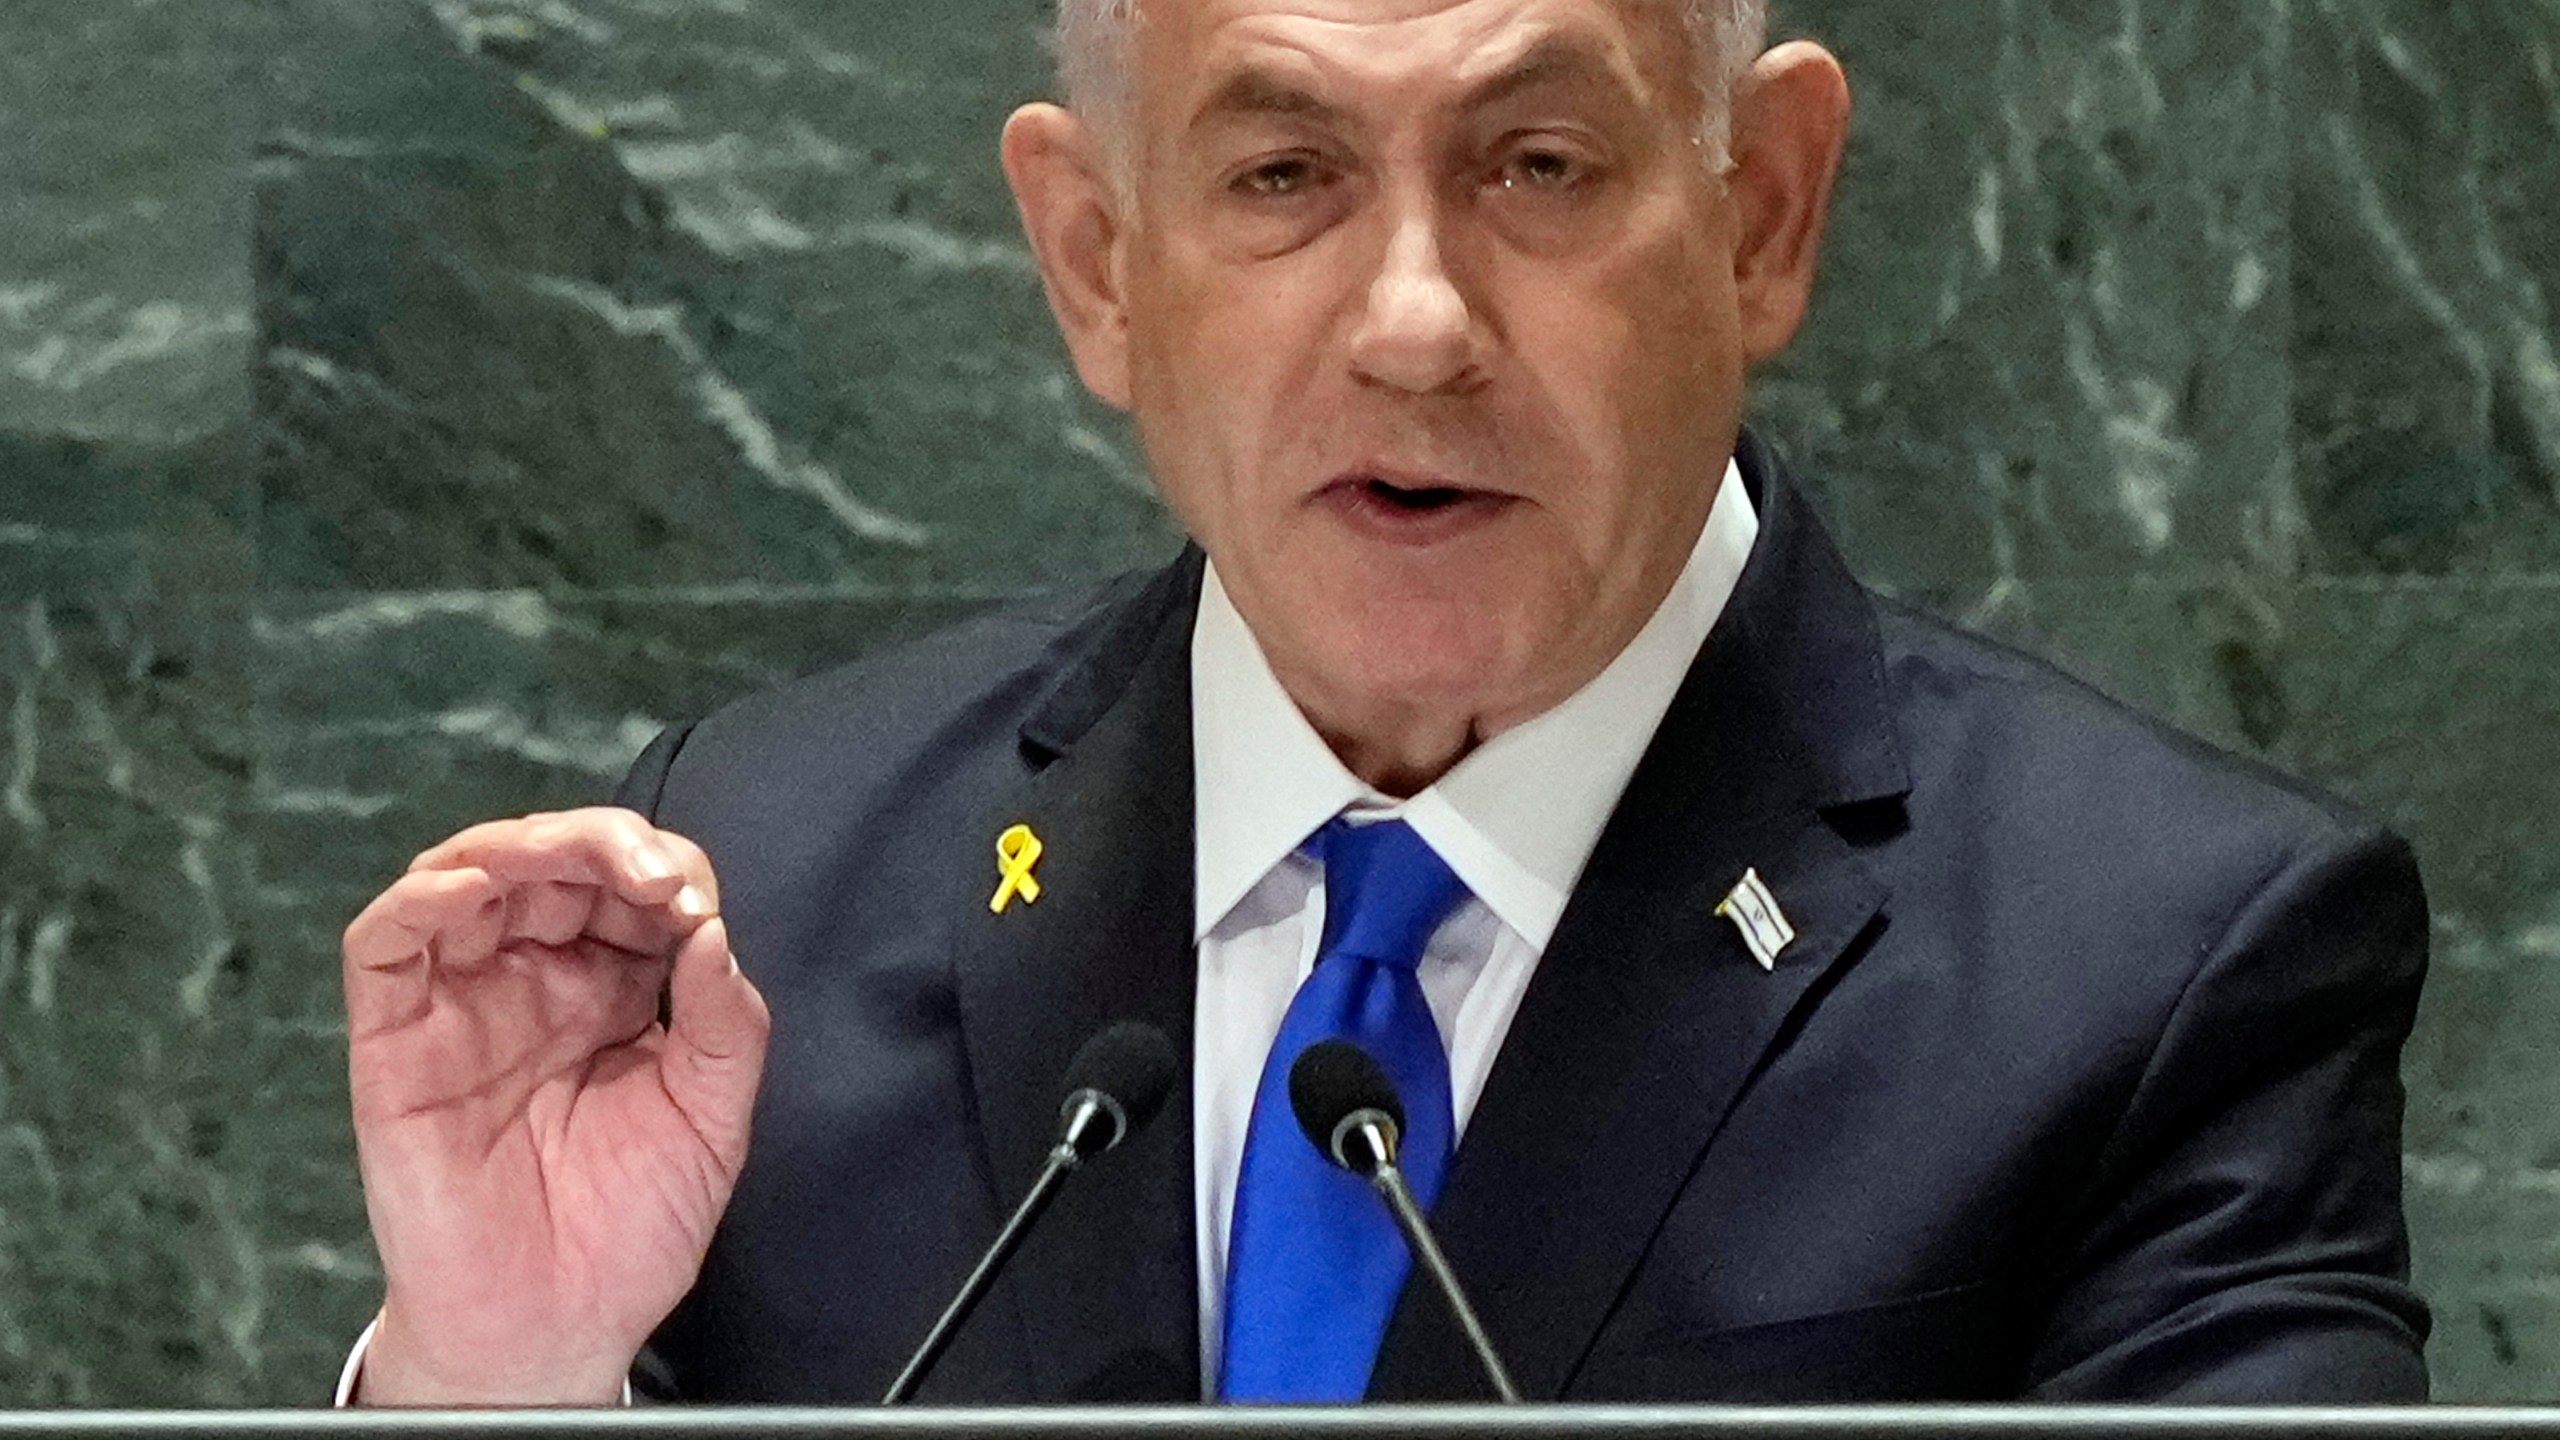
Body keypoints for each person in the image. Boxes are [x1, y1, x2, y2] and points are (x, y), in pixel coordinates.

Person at [337, 0, 2432, 1406]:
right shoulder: (763, 887)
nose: (1415, 323)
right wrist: (498, 1389)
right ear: (1093, 262)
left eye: (1534, 166)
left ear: (1760, 216)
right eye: (1280, 178)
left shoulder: (2163, 959)